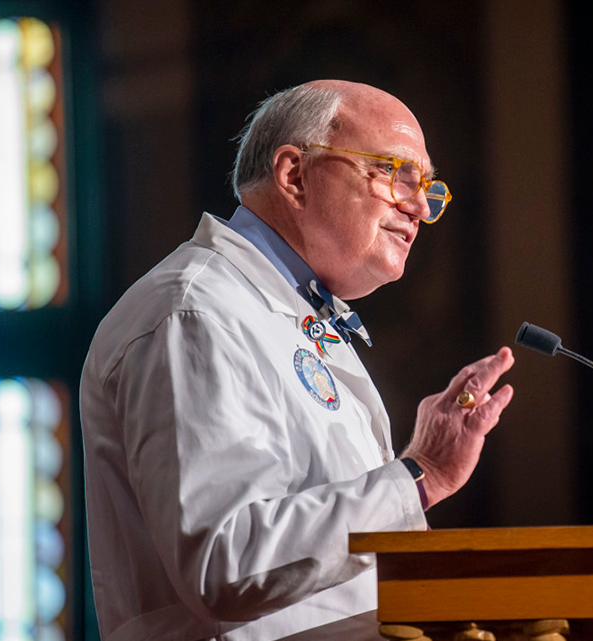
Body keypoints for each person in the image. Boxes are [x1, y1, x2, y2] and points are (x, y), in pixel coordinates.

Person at [80, 79, 515, 641]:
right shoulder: (194, 313)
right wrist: (417, 475)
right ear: (293, 175)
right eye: (395, 174)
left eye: (427, 187)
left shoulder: (289, 312)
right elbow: (228, 563)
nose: (417, 207)